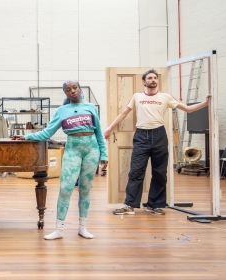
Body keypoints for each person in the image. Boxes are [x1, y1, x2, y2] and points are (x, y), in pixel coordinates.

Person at [12, 80, 108, 240]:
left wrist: (104, 155)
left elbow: (98, 133)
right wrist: (26, 136)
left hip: (92, 150)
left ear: (79, 89)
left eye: (75, 88)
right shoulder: (62, 111)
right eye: (68, 89)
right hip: (72, 149)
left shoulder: (90, 108)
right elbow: (46, 133)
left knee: (85, 189)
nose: (72, 91)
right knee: (65, 189)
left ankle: (82, 227)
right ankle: (59, 229)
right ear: (65, 93)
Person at [107, 69, 211, 215]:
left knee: (159, 172)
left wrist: (206, 102)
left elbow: (188, 109)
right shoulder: (137, 97)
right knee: (136, 171)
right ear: (144, 81)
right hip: (141, 136)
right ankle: (129, 205)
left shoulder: (165, 97)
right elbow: (124, 114)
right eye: (149, 78)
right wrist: (109, 129)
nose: (153, 80)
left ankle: (154, 205)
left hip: (159, 135)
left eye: (155, 78)